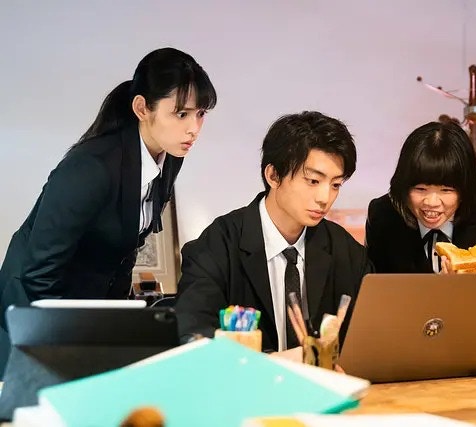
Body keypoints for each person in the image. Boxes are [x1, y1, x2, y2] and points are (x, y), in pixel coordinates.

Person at [0, 47, 217, 372]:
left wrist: (116, 322)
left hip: (85, 311)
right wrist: (73, 342)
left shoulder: (171, 155)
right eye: (181, 114)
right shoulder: (92, 168)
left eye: (200, 114)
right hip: (32, 313)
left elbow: (127, 245)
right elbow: (39, 272)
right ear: (142, 108)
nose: (194, 128)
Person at [175, 111, 372, 355]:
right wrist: (280, 361)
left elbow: (374, 334)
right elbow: (193, 336)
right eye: (313, 181)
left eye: (335, 185)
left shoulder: (345, 250)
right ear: (273, 175)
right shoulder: (218, 244)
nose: (325, 198)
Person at [366, 121, 476, 346]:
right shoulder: (384, 214)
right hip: (417, 341)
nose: (431, 202)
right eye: (420, 189)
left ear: (466, 189)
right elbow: (377, 296)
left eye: (446, 190)